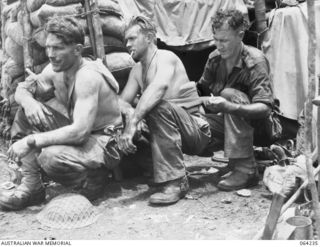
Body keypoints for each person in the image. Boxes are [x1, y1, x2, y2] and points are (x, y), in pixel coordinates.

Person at [0, 16, 123, 210]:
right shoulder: (55, 70)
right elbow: (23, 89)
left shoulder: (87, 76)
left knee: (50, 157)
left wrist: (31, 141)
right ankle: (33, 186)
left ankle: (95, 180)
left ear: (77, 50)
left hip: (104, 140)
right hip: (81, 132)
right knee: (25, 112)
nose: (50, 54)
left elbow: (80, 132)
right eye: (48, 47)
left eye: (57, 48)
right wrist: (29, 102)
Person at [118, 16, 211, 205]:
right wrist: (129, 114)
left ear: (150, 37)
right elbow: (121, 102)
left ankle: (176, 182)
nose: (127, 44)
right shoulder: (137, 70)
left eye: (132, 38)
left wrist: (134, 122)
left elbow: (158, 88)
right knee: (125, 119)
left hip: (195, 130)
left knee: (154, 106)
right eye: (126, 40)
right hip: (169, 132)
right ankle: (153, 170)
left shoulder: (165, 57)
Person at [197, 9, 275, 191]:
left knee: (229, 95)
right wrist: (198, 108)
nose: (218, 45)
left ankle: (246, 169)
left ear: (240, 35)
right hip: (229, 122)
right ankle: (235, 163)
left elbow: (265, 108)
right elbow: (201, 90)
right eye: (215, 39)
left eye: (224, 40)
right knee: (196, 123)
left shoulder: (255, 61)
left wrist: (229, 106)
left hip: (262, 128)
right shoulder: (214, 60)